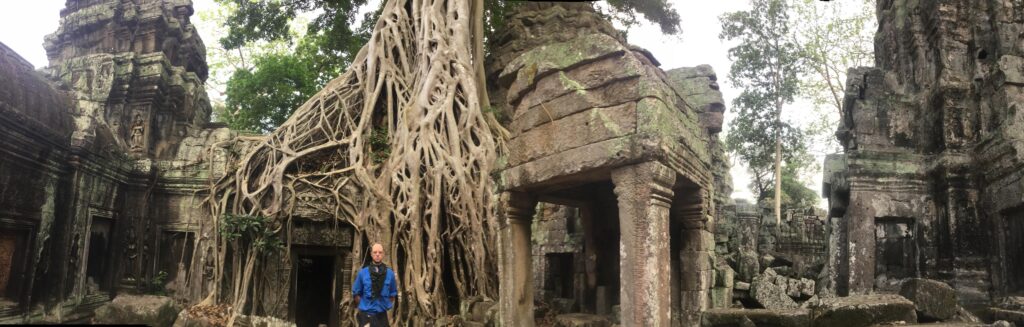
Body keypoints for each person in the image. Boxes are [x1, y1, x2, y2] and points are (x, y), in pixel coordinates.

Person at [352, 243, 397, 327]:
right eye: (375, 252)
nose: (377, 254)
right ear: (371, 254)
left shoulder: (390, 274)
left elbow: (392, 295)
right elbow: (356, 294)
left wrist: (383, 305)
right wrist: (365, 306)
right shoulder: (363, 273)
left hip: (382, 316)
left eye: (380, 252)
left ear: (383, 254)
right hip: (366, 316)